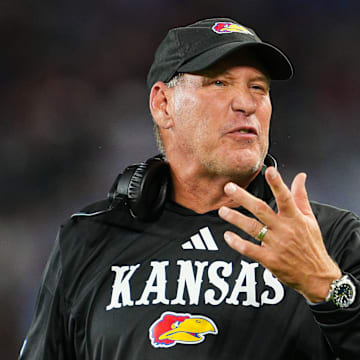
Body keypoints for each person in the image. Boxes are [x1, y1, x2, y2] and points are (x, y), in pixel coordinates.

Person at [19, 18, 360, 360]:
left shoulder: (331, 238)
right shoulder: (89, 239)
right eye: (219, 82)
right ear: (163, 104)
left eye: (258, 87)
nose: (246, 103)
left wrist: (326, 286)